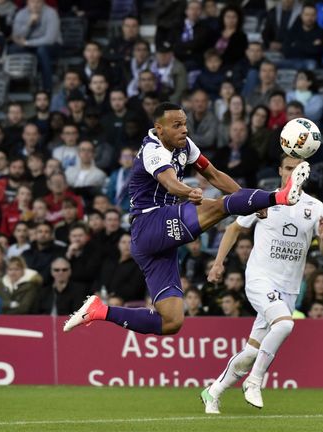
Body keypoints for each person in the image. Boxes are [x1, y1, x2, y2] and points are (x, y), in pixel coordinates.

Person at [63, 103, 310, 338]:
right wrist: (187, 191)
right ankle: (281, 196)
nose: (184, 129)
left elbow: (213, 174)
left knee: (171, 322)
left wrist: (251, 203)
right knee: (218, 207)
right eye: (177, 125)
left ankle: (99, 311)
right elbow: (169, 182)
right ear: (159, 129)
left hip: (159, 240)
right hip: (150, 224)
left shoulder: (185, 145)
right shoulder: (153, 150)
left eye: (185, 123)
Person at [201, 155, 323, 413]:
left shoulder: (315, 207)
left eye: (298, 169)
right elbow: (233, 229)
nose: (293, 173)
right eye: (289, 168)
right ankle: (255, 381)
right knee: (285, 324)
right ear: (280, 170)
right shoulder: (264, 199)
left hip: (289, 287)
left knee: (251, 353)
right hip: (260, 279)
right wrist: (218, 263)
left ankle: (212, 391)